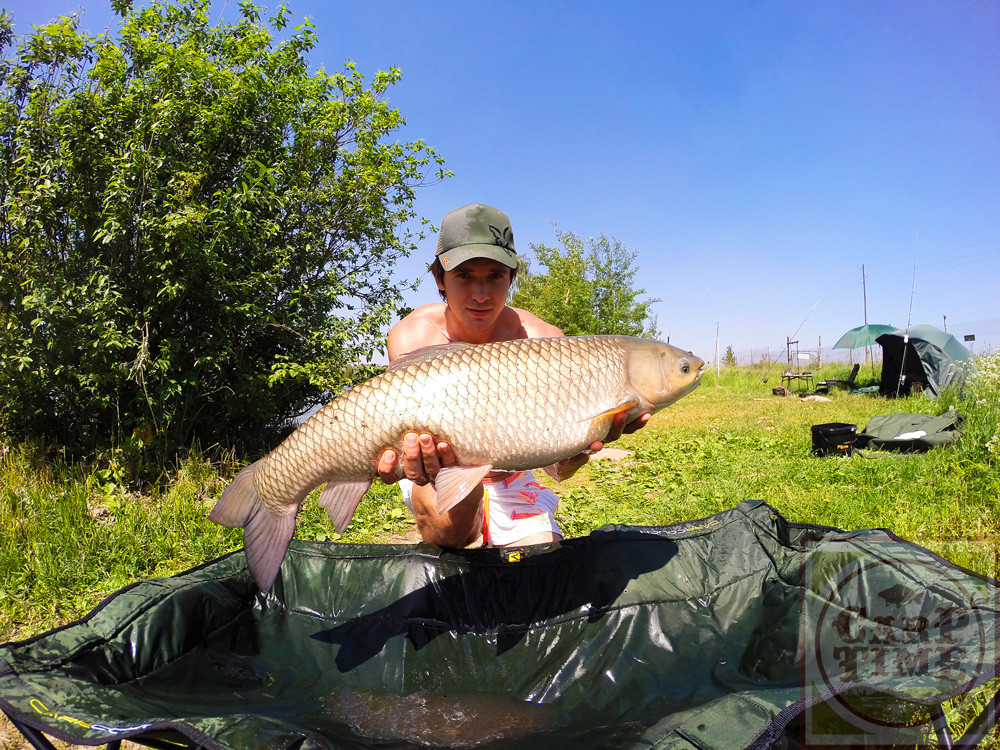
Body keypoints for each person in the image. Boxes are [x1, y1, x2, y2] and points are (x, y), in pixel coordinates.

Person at [376, 203, 649, 548]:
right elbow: (407, 443)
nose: (481, 294)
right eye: (464, 276)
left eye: (495, 276)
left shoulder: (542, 340)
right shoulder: (412, 337)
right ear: (439, 279)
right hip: (440, 468)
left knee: (541, 559)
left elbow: (558, 470)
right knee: (452, 535)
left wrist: (584, 445)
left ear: (512, 277)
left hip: (513, 473)